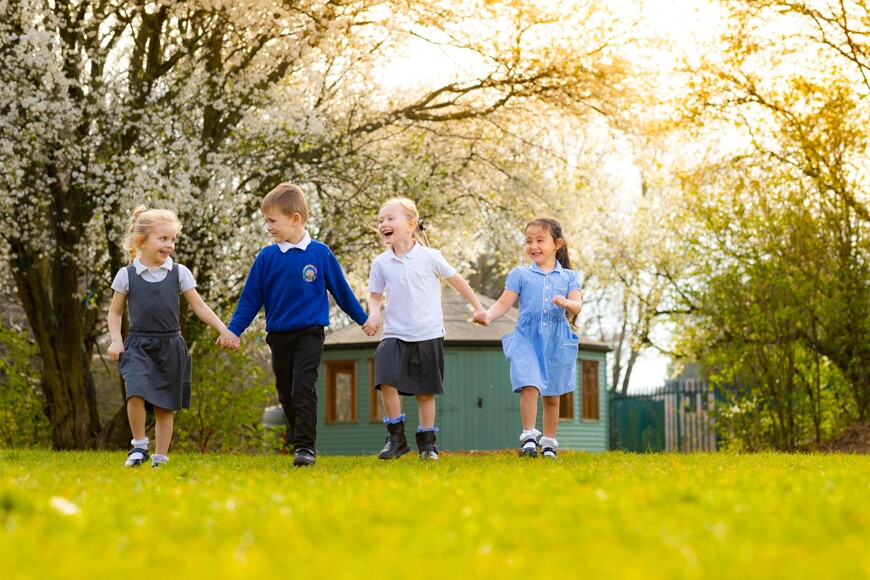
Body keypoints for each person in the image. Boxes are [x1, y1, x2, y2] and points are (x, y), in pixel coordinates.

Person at [227, 183, 376, 467]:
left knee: (302, 387)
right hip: (278, 336)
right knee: (285, 391)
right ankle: (299, 443)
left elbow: (342, 292)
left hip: (310, 333)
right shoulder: (266, 258)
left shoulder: (320, 254)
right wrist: (234, 330)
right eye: (266, 221)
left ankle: (305, 448)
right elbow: (249, 301)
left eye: (273, 221)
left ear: (295, 219)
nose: (268, 227)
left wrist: (364, 320)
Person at [108, 207, 240, 469]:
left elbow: (199, 306)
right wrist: (115, 339)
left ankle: (160, 458)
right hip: (138, 344)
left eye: (172, 239)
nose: (169, 245)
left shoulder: (179, 273)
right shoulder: (127, 275)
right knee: (134, 391)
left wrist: (223, 329)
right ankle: (139, 446)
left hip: (170, 344)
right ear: (141, 241)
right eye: (163, 238)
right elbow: (115, 312)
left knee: (165, 405)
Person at [366, 197, 486, 461]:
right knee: (385, 377)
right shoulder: (381, 263)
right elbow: (375, 296)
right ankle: (396, 438)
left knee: (424, 392)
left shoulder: (431, 257)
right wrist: (374, 314)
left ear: (410, 225)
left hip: (428, 333)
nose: (383, 224)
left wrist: (478, 308)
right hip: (394, 333)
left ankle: (427, 444)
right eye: (380, 220)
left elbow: (458, 281)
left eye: (389, 219)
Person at [474, 217, 582, 459]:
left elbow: (577, 306)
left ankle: (549, 443)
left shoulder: (569, 278)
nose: (533, 246)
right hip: (527, 338)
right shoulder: (520, 275)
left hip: (556, 340)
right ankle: (529, 438)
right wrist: (488, 316)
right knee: (529, 385)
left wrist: (566, 302)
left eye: (539, 240)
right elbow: (503, 303)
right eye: (528, 241)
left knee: (552, 395)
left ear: (557, 244)